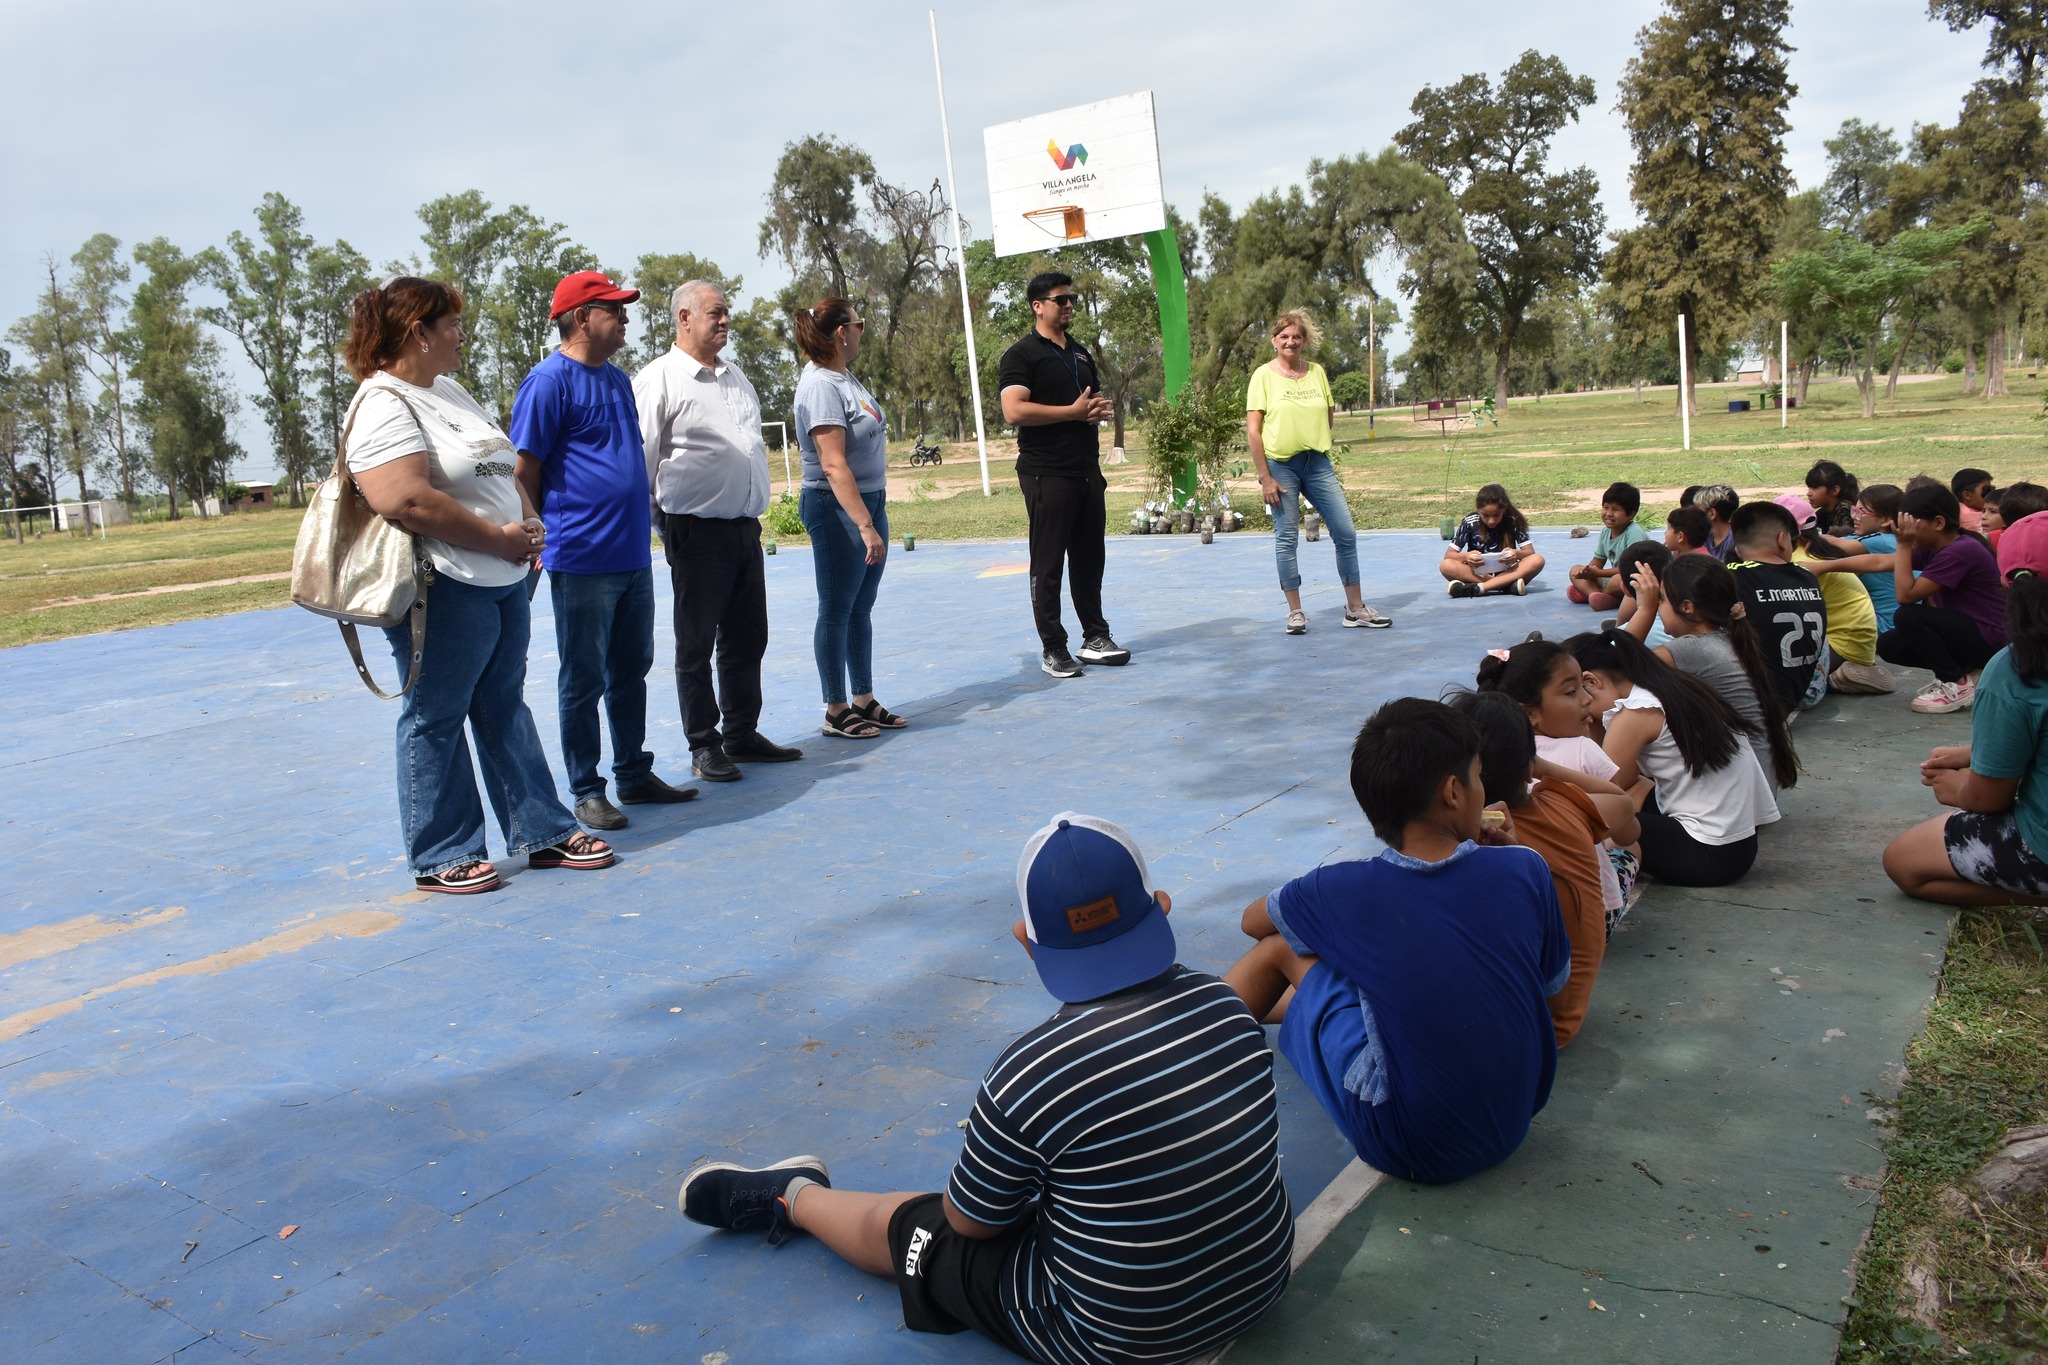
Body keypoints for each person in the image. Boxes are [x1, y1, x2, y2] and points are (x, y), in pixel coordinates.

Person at [679, 813, 1295, 1363]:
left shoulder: (1032, 1072)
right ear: (1160, 905)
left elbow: (970, 1225)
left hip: (1118, 1339)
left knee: (917, 1225)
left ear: (1027, 941)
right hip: (1260, 1283)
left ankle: (792, 1197)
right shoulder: (1226, 1005)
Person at [1222, 697, 1571, 1183]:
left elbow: (1250, 922)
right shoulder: (1525, 867)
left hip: (1410, 1144)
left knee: (1280, 947)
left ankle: (1196, 1063)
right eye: (1479, 775)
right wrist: (1511, 851)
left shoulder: (1341, 888)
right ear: (1453, 791)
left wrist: (1311, 895)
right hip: (1513, 1122)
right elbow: (1553, 998)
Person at [341, 277, 615, 893]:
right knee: (435, 714)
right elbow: (405, 499)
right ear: (419, 332)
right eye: (452, 325)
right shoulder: (384, 403)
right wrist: (498, 539)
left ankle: (541, 831)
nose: (462, 335)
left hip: (500, 577)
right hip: (443, 583)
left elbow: (497, 464)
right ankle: (442, 853)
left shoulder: (446, 389)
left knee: (502, 705)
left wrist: (527, 518)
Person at [511, 271, 696, 831]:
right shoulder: (547, 383)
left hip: (630, 555)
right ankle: (587, 789)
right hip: (582, 558)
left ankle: (634, 774)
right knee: (583, 677)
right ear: (582, 317)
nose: (625, 319)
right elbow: (524, 473)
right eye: (614, 310)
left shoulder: (617, 381)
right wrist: (537, 535)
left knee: (631, 670)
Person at [634, 280, 803, 781]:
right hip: (696, 533)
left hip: (744, 530)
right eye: (715, 312)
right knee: (696, 645)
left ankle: (741, 734)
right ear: (684, 318)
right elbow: (639, 464)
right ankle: (704, 744)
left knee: (748, 637)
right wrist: (666, 527)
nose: (725, 320)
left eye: (727, 311)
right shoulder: (658, 379)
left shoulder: (736, 377)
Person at [1884, 512, 2048, 907]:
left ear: (2007, 581)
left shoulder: (2016, 668)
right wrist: (1979, 754)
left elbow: (1989, 799)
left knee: (1903, 861)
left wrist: (1956, 786)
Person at [1447, 689, 1627, 1047]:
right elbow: (1621, 802)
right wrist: (1540, 766)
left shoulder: (1469, 841)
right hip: (1562, 1024)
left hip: (1516, 1031)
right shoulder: (1564, 804)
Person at [1566, 629, 1779, 887]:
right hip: (1739, 844)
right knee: (1638, 790)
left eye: (1574, 694)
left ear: (1591, 681)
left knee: (1589, 821)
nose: (1578, 706)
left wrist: (1547, 764)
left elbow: (1605, 788)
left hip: (1711, 854)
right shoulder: (1668, 687)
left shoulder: (1635, 712)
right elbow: (1629, 778)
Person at [997, 272, 1132, 678]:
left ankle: (1095, 637)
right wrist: (1072, 413)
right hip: (1046, 473)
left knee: (1090, 559)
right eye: (1061, 299)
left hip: (1086, 472)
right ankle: (1053, 648)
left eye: (1072, 298)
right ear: (1038, 306)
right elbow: (1014, 410)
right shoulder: (1021, 355)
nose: (1069, 304)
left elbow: (1081, 405)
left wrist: (1093, 411)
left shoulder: (1081, 354)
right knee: (1049, 563)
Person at [790, 297, 906, 740]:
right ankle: (836, 707)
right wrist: (863, 524)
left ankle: (863, 698)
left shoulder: (844, 376)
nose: (862, 330)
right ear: (842, 332)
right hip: (837, 507)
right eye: (859, 324)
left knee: (861, 606)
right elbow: (834, 464)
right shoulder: (820, 385)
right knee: (837, 609)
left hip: (868, 500)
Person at [1477, 640, 1646, 933]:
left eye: (1583, 686)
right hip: (1592, 918)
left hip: (1525, 922)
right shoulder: (1584, 751)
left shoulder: (1488, 759)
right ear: (1529, 713)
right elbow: (1628, 828)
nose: (1586, 699)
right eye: (1571, 692)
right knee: (1629, 845)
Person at [1245, 311, 1391, 633]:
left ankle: (1355, 609)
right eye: (1284, 336)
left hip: (1318, 464)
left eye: (1296, 336)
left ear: (1304, 341)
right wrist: (1265, 477)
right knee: (1286, 539)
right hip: (1280, 467)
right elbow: (1254, 432)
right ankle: (1295, 612)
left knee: (1345, 532)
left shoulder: (1317, 373)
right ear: (1274, 340)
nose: (1291, 341)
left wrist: (1313, 442)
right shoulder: (1263, 377)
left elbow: (1327, 416)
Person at [1634, 553, 1801, 794]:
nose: (1657, 606)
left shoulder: (1693, 648)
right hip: (1757, 792)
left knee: (1627, 716)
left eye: (1661, 599)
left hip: (1738, 800)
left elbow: (1612, 670)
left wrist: (1644, 610)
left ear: (1687, 607)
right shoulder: (1729, 638)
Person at [1838, 483, 2008, 714]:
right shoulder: (1933, 546)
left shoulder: (1961, 550)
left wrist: (1904, 544)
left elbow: (1905, 596)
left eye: (1911, 527)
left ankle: (1956, 683)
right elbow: (1879, 562)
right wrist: (1822, 567)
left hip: (1993, 639)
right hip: (1970, 633)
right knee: (1890, 645)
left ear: (1938, 523)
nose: (1905, 533)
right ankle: (1967, 670)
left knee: (1909, 615)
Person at [1728, 501, 1829, 713]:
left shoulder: (1731, 574)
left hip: (1750, 704)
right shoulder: (1808, 577)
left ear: (1738, 549)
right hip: (1794, 698)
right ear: (1782, 539)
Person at [1441, 482, 1546, 597]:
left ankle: (1479, 588)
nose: (1491, 521)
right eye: (1485, 515)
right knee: (1446, 565)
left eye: (1497, 515)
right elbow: (1449, 555)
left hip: (1508, 572)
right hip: (1479, 574)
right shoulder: (1469, 522)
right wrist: (1466, 556)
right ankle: (1506, 586)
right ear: (1478, 510)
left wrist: (1516, 554)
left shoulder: (1513, 520)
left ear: (1504, 510)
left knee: (1537, 560)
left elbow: (1530, 552)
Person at [1567, 482, 1646, 610]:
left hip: (1633, 579)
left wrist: (1598, 573)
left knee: (1619, 580)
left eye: (1615, 509)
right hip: (1610, 578)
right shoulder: (1605, 531)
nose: (1608, 513)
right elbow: (1598, 559)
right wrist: (1587, 572)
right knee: (1574, 569)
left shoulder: (1634, 532)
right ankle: (1596, 595)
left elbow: (1631, 568)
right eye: (1606, 507)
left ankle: (1604, 597)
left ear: (1630, 514)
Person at [1614, 540, 1676, 647]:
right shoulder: (1686, 622)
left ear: (1625, 590)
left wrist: (1645, 610)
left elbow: (1618, 658)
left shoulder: (1620, 639)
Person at [1805, 460, 1859, 537]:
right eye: (1809, 487)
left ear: (1834, 490)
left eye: (1814, 488)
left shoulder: (1845, 511)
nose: (1809, 493)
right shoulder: (1823, 512)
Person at [1693, 484, 1739, 563]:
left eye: (1698, 510)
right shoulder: (1705, 535)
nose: (1694, 514)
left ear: (1712, 514)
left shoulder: (1735, 541)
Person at [1953, 467, 1995, 533]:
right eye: (1986, 490)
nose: (1990, 494)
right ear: (1967, 495)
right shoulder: (1971, 516)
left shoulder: (1956, 508)